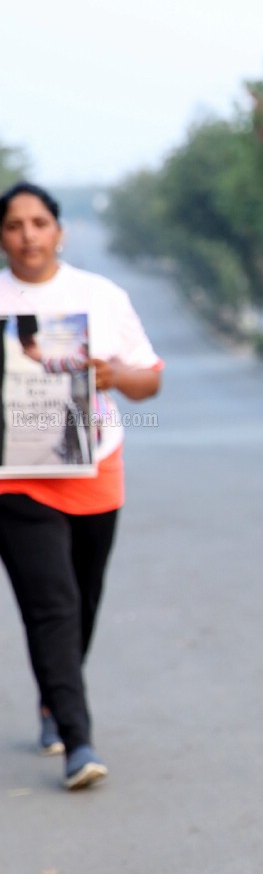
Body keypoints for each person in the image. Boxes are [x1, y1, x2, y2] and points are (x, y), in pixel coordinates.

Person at [0, 183, 163, 789]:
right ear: (2, 236)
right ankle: (78, 739)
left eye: (39, 222)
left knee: (83, 599)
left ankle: (51, 701)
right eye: (14, 225)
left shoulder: (99, 295)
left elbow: (150, 382)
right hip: (14, 480)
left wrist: (114, 374)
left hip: (94, 469)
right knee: (52, 606)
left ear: (58, 231)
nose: (28, 235)